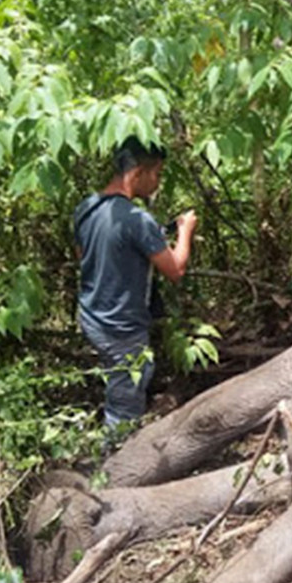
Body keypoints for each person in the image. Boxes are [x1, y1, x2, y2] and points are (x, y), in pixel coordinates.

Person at [74, 136, 198, 432]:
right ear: (138, 173)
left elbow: (84, 255)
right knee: (124, 406)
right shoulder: (136, 220)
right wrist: (185, 231)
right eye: (157, 173)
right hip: (121, 327)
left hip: (92, 317)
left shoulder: (86, 208)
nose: (157, 182)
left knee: (119, 383)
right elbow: (176, 270)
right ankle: (115, 467)